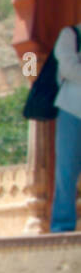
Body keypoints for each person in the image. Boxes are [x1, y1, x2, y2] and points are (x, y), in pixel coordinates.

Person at [51, 22, 81, 233]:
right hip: (72, 110)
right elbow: (68, 68)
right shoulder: (70, 34)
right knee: (67, 170)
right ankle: (62, 225)